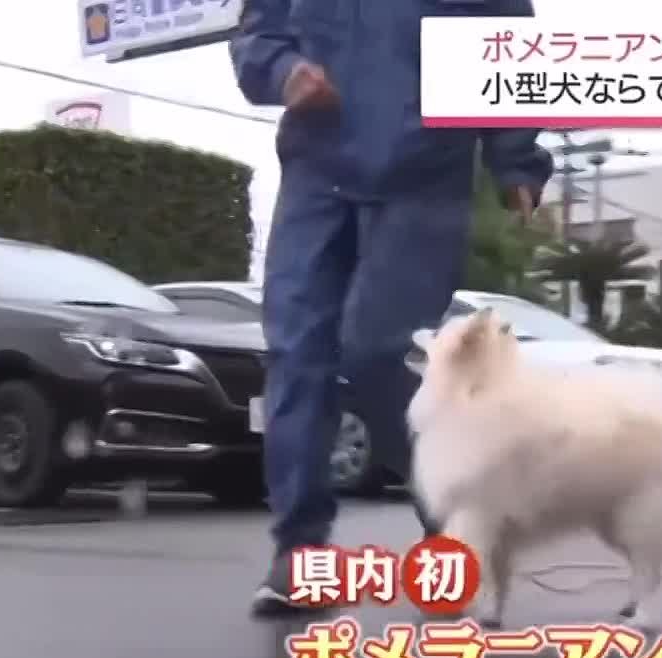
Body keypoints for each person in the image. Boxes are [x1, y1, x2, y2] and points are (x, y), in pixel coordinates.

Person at [230, 0, 555, 617]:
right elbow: (257, 34)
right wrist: (284, 70)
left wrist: (516, 159)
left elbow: (505, 40)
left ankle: (452, 512)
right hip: (315, 169)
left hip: (423, 175)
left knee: (380, 351)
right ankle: (298, 552)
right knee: (296, 354)